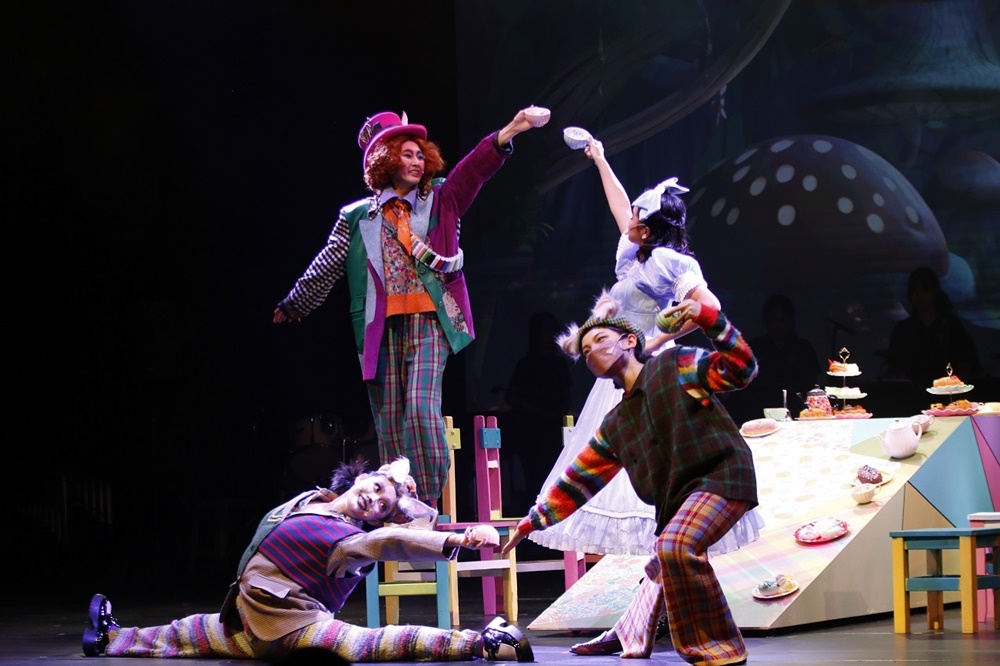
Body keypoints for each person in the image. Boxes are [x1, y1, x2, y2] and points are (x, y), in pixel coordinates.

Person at [273, 106, 550, 508]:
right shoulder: (357, 216)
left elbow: (473, 171)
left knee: (420, 409)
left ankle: (426, 500)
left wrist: (511, 130)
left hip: (430, 322)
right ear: (385, 161)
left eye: (421, 154)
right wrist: (296, 302)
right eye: (407, 154)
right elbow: (328, 263)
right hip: (380, 328)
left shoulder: (441, 199)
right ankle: (398, 505)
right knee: (389, 423)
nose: (418, 161)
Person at [529, 136, 763, 557]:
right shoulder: (633, 256)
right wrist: (600, 159)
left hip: (648, 370)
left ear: (649, 228)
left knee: (648, 462)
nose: (630, 218)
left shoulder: (670, 261)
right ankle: (635, 579)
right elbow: (619, 206)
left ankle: (666, 557)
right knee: (608, 465)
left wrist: (658, 338)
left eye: (638, 216)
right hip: (619, 371)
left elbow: (708, 305)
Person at [503, 295, 759, 664]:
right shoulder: (616, 423)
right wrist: (531, 521)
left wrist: (708, 318)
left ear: (629, 340)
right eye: (586, 351)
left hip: (722, 475)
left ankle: (719, 647)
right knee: (660, 563)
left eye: (601, 340)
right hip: (679, 500)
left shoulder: (674, 365)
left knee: (674, 547)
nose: (593, 352)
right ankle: (629, 631)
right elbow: (578, 480)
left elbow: (741, 368)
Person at [81, 457, 534, 662]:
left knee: (369, 644)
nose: (373, 499)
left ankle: (481, 644)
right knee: (188, 632)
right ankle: (110, 638)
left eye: (382, 505)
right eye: (376, 487)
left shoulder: (350, 541)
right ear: (364, 477)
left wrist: (456, 540)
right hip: (251, 617)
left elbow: (391, 541)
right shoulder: (311, 499)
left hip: (296, 629)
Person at [503, 311, 573, 511]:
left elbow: (567, 394)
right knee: (534, 479)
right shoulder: (527, 364)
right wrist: (537, 412)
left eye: (553, 331)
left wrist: (559, 413)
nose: (551, 336)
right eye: (546, 332)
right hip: (531, 431)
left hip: (554, 430)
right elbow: (511, 397)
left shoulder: (560, 364)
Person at [722, 294, 820, 423]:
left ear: (790, 321)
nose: (777, 326)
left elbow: (812, 383)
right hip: (760, 408)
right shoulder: (755, 347)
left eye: (781, 321)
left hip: (796, 407)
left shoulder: (803, 347)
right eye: (772, 321)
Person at [885, 266, 983, 396]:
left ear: (935, 292)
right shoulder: (903, 330)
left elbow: (965, 363)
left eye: (925, 290)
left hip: (949, 395)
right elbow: (894, 368)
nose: (919, 296)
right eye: (914, 291)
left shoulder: (951, 326)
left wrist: (956, 389)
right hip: (912, 397)